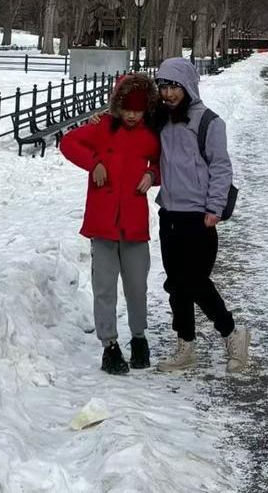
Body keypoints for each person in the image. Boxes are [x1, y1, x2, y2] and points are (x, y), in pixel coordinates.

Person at [152, 56, 249, 374]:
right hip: (170, 214)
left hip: (199, 216)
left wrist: (214, 208)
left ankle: (232, 334)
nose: (167, 94)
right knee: (177, 285)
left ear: (188, 86)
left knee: (195, 282)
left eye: (173, 87)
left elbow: (221, 167)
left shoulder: (209, 122)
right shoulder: (162, 120)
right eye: (163, 86)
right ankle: (185, 346)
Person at [59, 72, 160, 376]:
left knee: (136, 286)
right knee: (104, 287)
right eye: (127, 109)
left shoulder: (150, 134)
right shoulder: (102, 128)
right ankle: (110, 345)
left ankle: (139, 338)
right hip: (102, 223)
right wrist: (94, 163)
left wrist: (152, 175)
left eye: (138, 110)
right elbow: (68, 142)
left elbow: (162, 163)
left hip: (134, 224)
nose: (132, 115)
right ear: (117, 106)